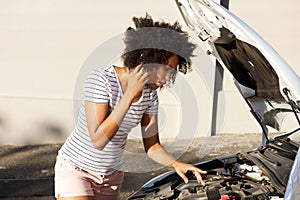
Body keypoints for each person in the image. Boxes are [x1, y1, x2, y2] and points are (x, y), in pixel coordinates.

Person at [54, 14, 207, 200]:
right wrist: (128, 97)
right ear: (150, 59)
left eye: (172, 72)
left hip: (111, 178)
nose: (168, 78)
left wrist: (176, 164)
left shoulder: (150, 95)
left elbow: (153, 146)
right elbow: (98, 140)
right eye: (166, 69)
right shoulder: (101, 80)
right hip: (76, 170)